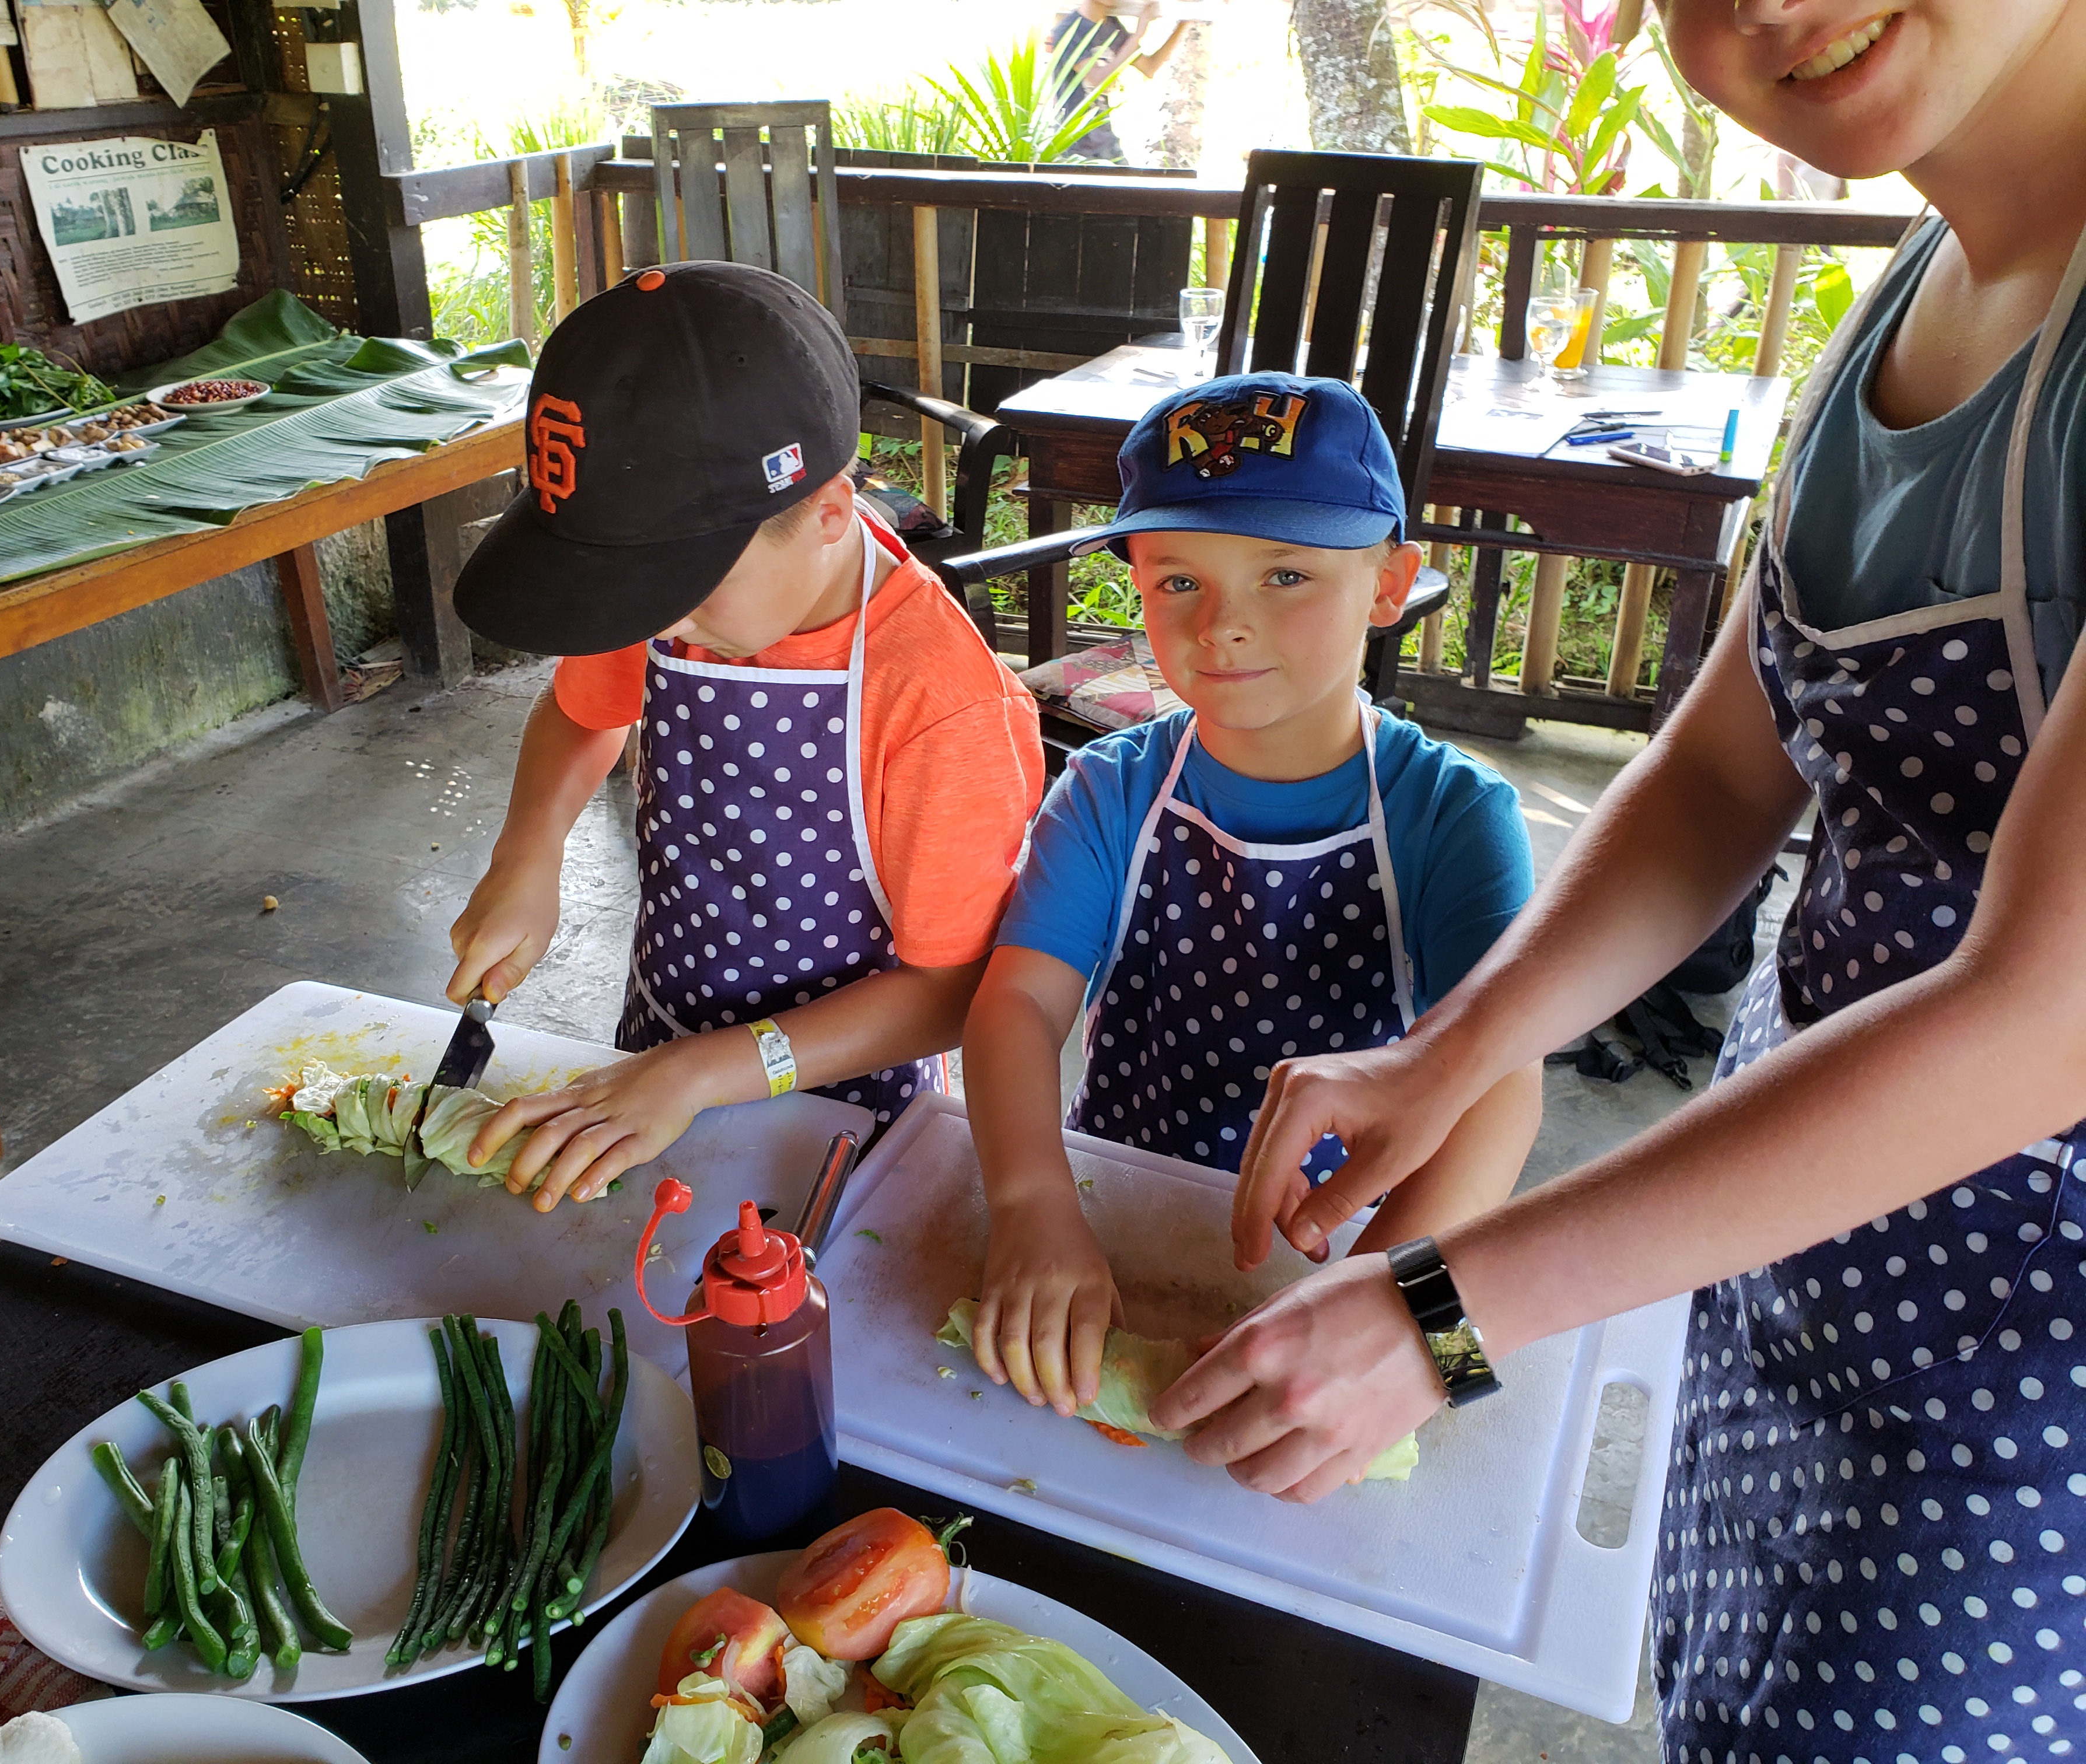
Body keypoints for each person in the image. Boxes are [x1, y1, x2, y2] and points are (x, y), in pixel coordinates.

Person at [1148, 2, 2086, 1757]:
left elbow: (2050, 1017)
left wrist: (1446, 1305)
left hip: (2031, 1398)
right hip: (1786, 1238)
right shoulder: (1911, 292)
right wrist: (1445, 1053)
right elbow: (1728, 772)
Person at [960, 372, 1542, 1417]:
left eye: (1284, 574)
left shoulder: (1457, 817)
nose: (1222, 625)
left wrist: (1398, 1309)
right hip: (1119, 1221)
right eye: (1179, 581)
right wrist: (1030, 1199)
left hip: (1366, 1248)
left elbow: (1501, 1086)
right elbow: (1015, 1003)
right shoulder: (1108, 786)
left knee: (1446, 1423)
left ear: (1388, 582)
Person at [445, 261, 1044, 1208]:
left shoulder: (939, 702)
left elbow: (952, 989)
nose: (657, 626)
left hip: (845, 1118)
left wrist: (705, 1073)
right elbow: (579, 712)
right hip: (656, 1046)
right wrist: (528, 854)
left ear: (830, 514)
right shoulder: (673, 602)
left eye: (678, 593)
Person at [1043, 0, 1191, 164]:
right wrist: (1138, 34)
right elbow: (1099, 80)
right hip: (1073, 144)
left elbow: (1149, 67)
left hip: (1106, 141)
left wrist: (1183, 25)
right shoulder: (1068, 31)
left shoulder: (1112, 27)